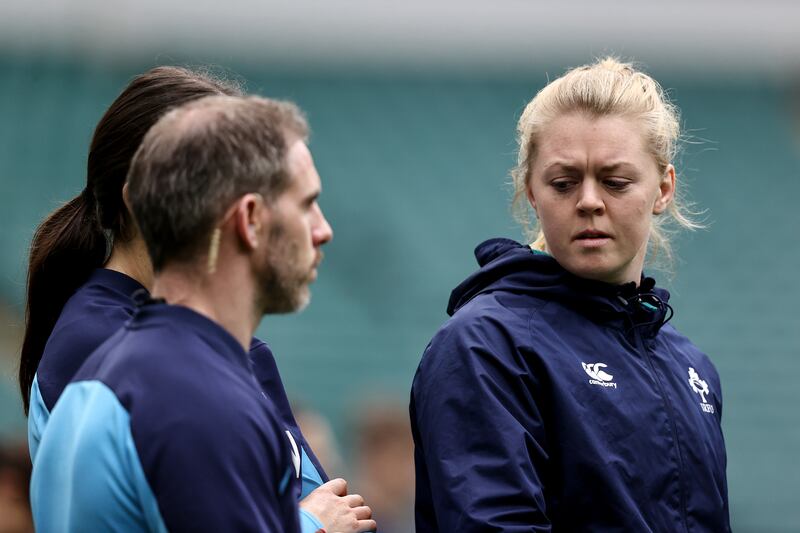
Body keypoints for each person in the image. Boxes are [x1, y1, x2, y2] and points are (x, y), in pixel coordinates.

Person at [20, 67, 371, 532]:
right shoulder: (151, 371)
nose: (322, 230)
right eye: (303, 203)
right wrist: (312, 527)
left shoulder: (192, 355)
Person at [410, 57, 730, 531]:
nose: (589, 201)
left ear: (663, 189)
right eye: (563, 183)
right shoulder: (486, 345)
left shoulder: (690, 367)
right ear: (532, 193)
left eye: (615, 181)